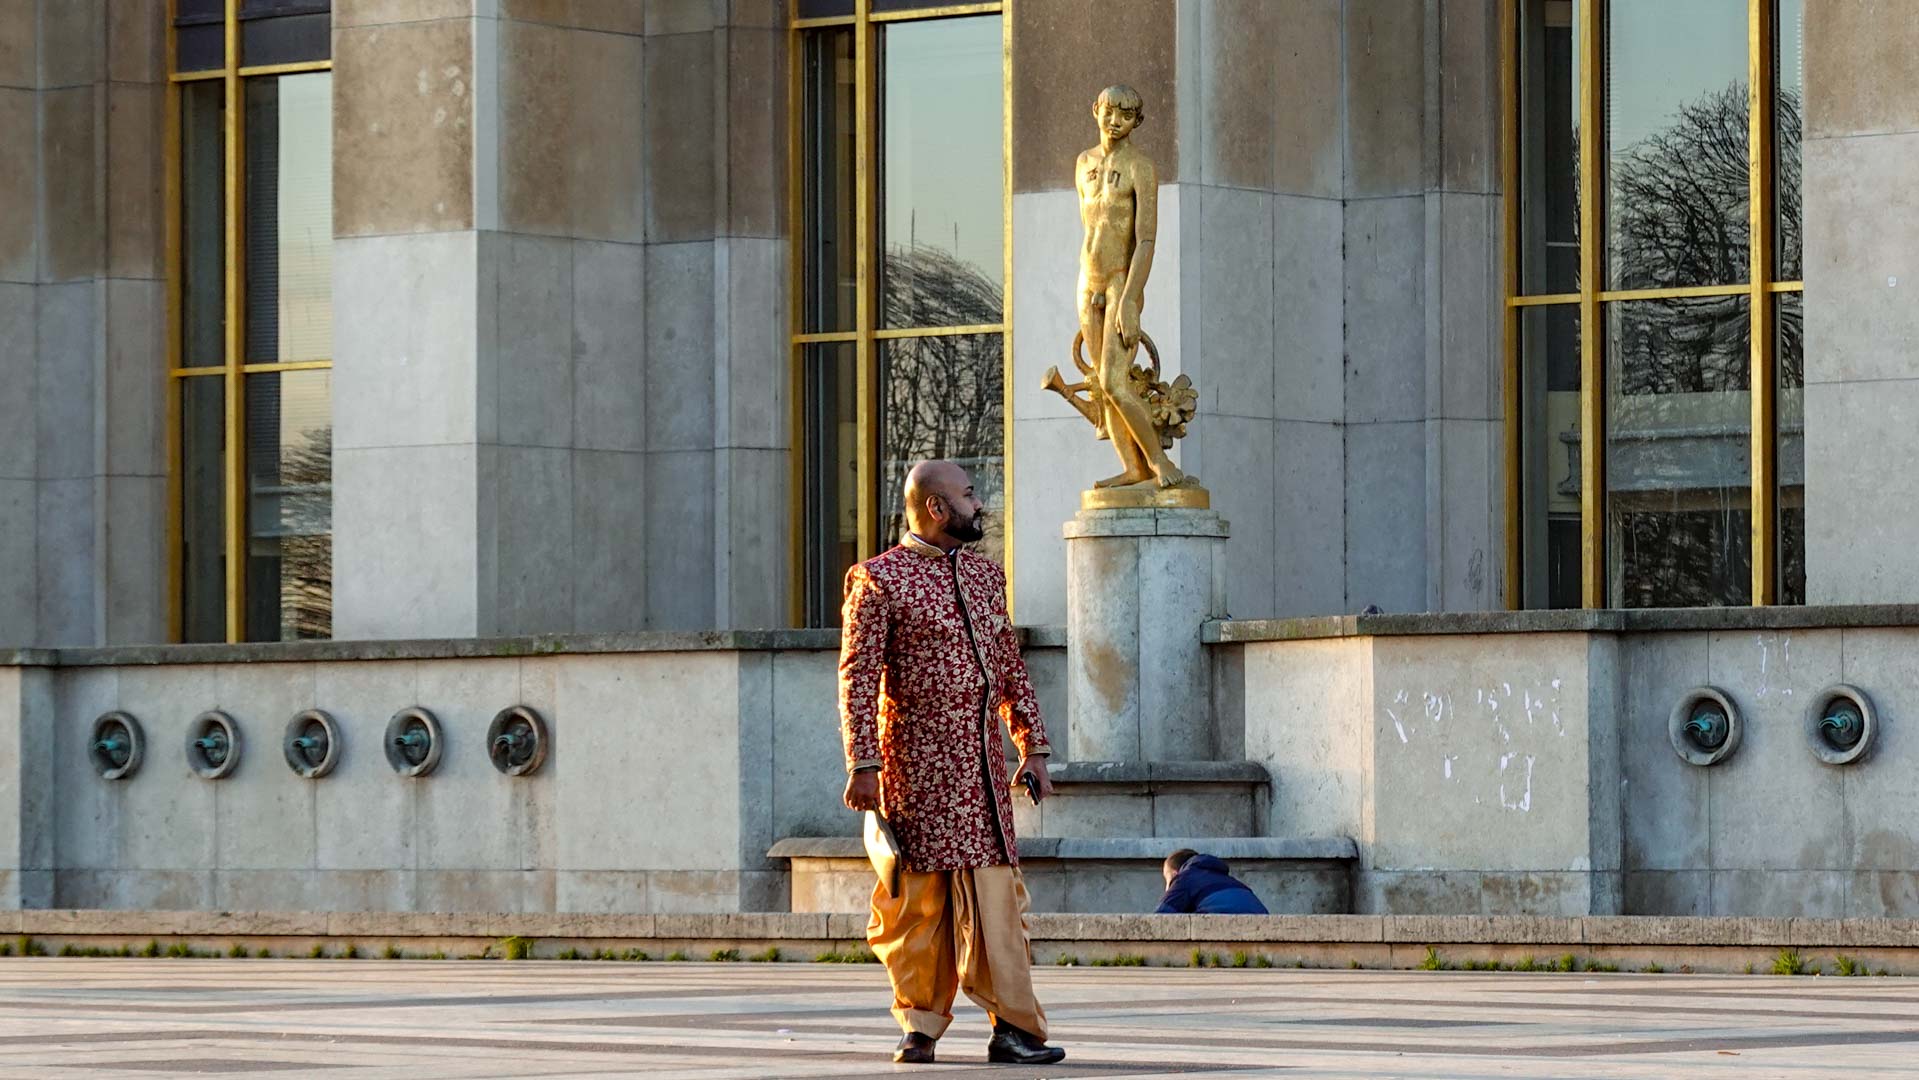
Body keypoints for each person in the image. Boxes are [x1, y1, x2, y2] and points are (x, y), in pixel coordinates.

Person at [839, 459, 1067, 1067]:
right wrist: (863, 764)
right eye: (968, 495)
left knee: (999, 910)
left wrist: (1033, 748)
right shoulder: (878, 579)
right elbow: (857, 678)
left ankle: (1013, 1030)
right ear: (937, 508)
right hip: (914, 775)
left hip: (983, 778)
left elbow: (1009, 665)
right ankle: (919, 1028)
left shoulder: (986, 577)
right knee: (916, 912)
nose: (979, 504)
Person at [1154, 849, 1270, 915]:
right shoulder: (1229, 880)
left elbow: (1161, 918)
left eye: (1166, 879)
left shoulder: (1184, 878)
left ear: (1175, 875)